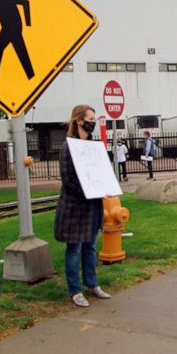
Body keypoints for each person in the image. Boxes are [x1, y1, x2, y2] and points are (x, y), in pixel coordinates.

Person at [55, 105, 113, 307]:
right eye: (90, 118)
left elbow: (101, 173)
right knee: (74, 249)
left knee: (90, 247)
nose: (93, 122)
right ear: (79, 120)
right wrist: (90, 190)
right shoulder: (68, 147)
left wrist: (104, 187)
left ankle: (92, 284)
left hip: (92, 206)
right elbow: (68, 179)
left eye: (94, 119)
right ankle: (75, 290)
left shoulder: (94, 146)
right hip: (75, 206)